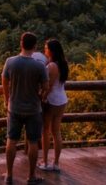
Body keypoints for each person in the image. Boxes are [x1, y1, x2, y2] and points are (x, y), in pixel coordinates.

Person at [3, 32, 50, 185]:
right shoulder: (39, 65)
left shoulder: (10, 62)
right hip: (33, 109)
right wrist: (41, 96)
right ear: (35, 46)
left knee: (11, 140)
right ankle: (31, 176)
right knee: (33, 142)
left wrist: (6, 99)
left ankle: (9, 175)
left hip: (14, 107)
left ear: (21, 44)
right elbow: (46, 87)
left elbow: (4, 80)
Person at [38, 39, 68, 173]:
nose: (45, 50)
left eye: (46, 48)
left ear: (51, 50)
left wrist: (42, 97)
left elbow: (48, 87)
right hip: (62, 99)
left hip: (51, 101)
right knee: (56, 132)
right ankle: (56, 163)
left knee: (45, 131)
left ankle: (44, 162)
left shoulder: (51, 66)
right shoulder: (63, 64)